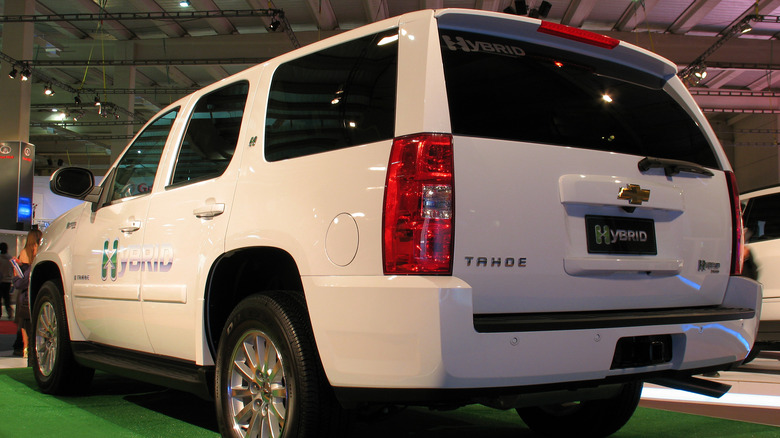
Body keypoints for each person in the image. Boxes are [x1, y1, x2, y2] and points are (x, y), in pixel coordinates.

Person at [12, 229, 42, 361]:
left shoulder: (24, 254)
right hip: (32, 298)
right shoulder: (39, 257)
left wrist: (17, 271)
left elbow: (20, 282)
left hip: (25, 298)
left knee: (25, 327)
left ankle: (25, 350)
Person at [0, 242, 12, 319]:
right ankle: (9, 311)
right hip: (8, 281)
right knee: (7, 298)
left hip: (0, 281)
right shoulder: (10, 258)